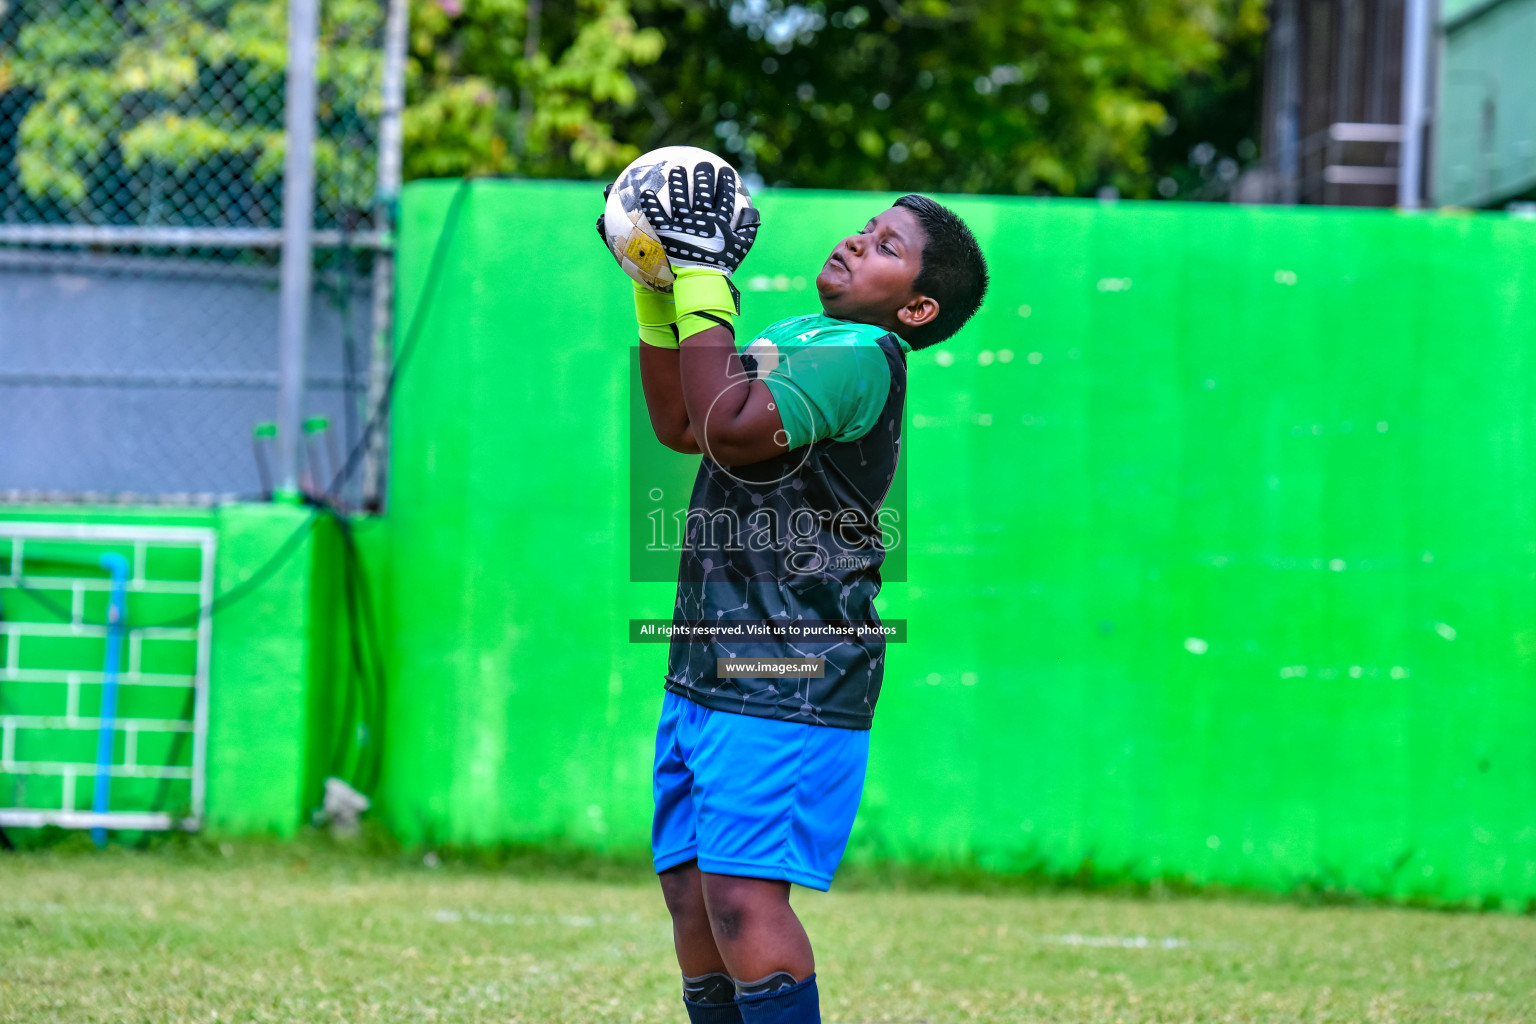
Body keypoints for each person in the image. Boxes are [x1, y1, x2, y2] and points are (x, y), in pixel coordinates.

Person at [602, 163, 988, 1024]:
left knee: (744, 903)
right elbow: (682, 425)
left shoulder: (864, 354)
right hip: (709, 665)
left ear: (915, 310)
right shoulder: (804, 332)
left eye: (889, 247)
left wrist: (706, 278)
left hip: (789, 673)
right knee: (694, 899)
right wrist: (659, 290)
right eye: (868, 225)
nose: (859, 239)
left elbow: (731, 434)